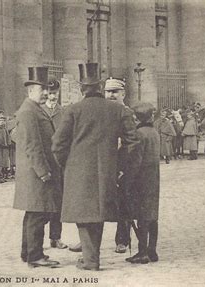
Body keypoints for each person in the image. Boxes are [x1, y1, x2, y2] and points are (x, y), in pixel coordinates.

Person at [52, 63, 138, 271]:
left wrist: (67, 164)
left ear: (82, 89)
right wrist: (119, 164)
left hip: (77, 171)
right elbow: (132, 142)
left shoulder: (72, 110)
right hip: (106, 170)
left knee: (83, 214)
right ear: (100, 87)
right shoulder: (118, 110)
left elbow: (57, 145)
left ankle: (91, 260)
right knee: (97, 212)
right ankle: (92, 257)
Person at [13, 66, 62, 268]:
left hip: (33, 172)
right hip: (36, 173)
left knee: (33, 213)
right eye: (42, 89)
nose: (45, 93)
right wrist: (43, 172)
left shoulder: (33, 109)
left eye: (46, 89)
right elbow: (32, 145)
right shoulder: (29, 112)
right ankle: (35, 256)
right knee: (39, 213)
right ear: (31, 89)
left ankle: (28, 252)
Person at [124, 102, 160, 264]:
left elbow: (135, 162)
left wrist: (126, 180)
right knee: (152, 216)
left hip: (140, 181)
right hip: (153, 179)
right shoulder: (153, 132)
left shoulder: (139, 134)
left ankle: (142, 252)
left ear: (137, 118)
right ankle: (152, 251)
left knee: (142, 217)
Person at [105, 76, 137, 254]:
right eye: (108, 92)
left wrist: (122, 168)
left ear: (123, 93)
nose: (110, 95)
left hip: (121, 167)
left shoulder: (127, 113)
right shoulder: (103, 112)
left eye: (114, 92)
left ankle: (122, 240)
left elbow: (131, 143)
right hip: (104, 164)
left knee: (124, 203)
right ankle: (88, 240)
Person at [40, 78, 68, 250]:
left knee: (58, 202)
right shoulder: (38, 111)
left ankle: (55, 237)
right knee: (41, 203)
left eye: (55, 93)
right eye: (50, 93)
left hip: (59, 164)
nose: (53, 97)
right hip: (43, 162)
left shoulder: (63, 112)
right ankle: (38, 240)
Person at [0, 113, 12, 183]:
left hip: (5, 147)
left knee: (4, 163)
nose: (2, 121)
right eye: (0, 120)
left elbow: (8, 137)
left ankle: (3, 176)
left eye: (3, 120)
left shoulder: (4, 128)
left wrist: (8, 143)